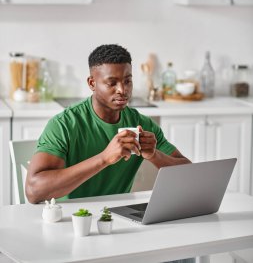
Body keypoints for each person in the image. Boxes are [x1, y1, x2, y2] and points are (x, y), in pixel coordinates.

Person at [26, 44, 191, 204]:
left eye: (127, 81)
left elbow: (189, 175)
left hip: (119, 217)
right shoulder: (64, 124)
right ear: (92, 83)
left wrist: (154, 155)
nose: (122, 89)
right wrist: (104, 158)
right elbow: (33, 192)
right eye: (112, 83)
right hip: (71, 219)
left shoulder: (141, 124)